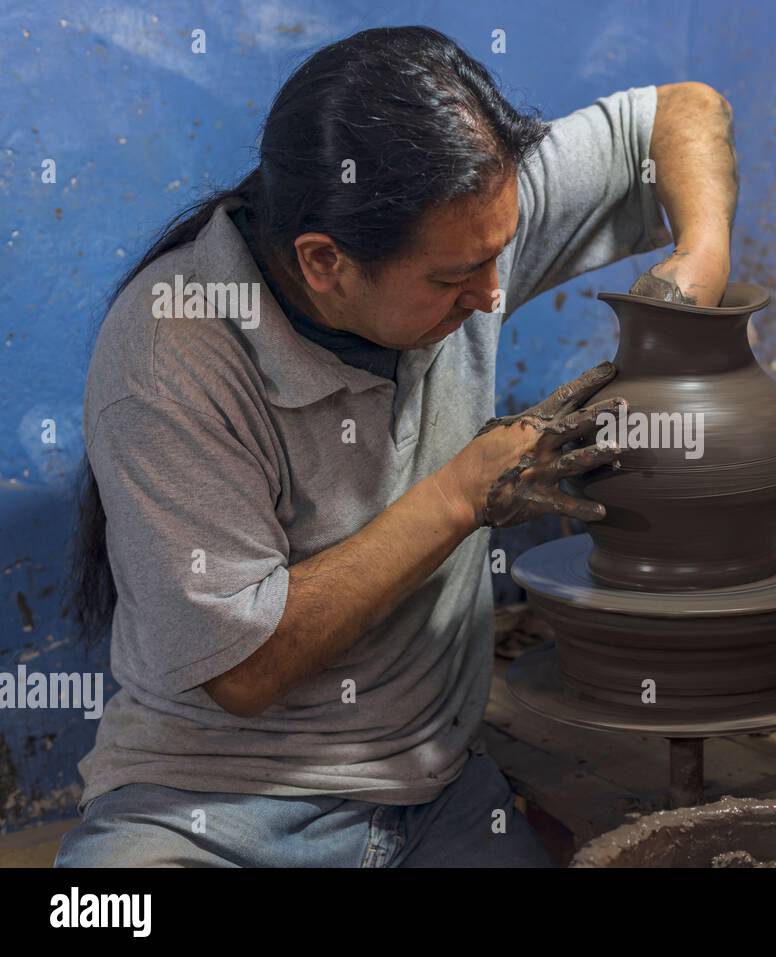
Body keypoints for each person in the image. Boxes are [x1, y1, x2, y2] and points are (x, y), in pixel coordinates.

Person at [57, 25, 737, 867]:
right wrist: (460, 497)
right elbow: (244, 671)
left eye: (498, 257)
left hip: (435, 793)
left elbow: (682, 113)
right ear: (324, 262)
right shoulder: (169, 357)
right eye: (455, 280)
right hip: (208, 802)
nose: (493, 296)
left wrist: (698, 259)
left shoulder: (466, 216)